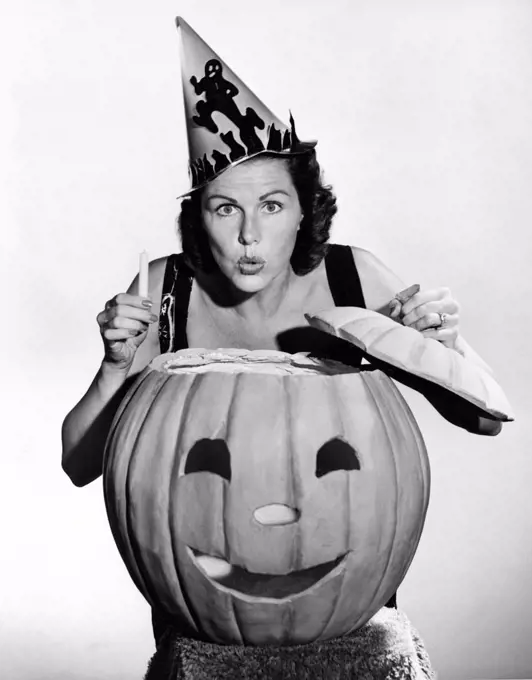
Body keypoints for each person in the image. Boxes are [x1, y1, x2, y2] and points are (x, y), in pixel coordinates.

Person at [61, 15, 504, 678]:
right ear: (198, 217)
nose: (247, 236)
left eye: (270, 206)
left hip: (340, 594)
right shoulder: (163, 292)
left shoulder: (356, 280)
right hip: (205, 607)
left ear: (304, 212)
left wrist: (444, 347)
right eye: (224, 209)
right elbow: (78, 465)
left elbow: (483, 419)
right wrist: (115, 367)